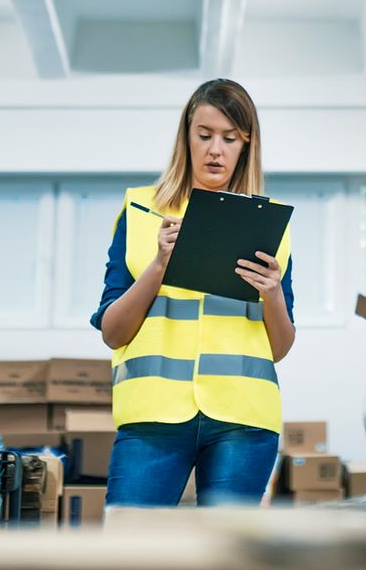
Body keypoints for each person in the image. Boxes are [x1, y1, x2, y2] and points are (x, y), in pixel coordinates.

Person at [89, 78, 295, 507]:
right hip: (152, 415)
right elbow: (112, 332)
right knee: (131, 549)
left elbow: (280, 347)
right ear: (186, 138)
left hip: (244, 417)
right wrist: (161, 264)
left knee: (228, 562)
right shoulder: (141, 212)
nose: (215, 150)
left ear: (246, 145)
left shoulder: (270, 227)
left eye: (230, 138)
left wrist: (272, 292)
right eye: (204, 136)